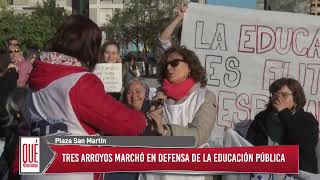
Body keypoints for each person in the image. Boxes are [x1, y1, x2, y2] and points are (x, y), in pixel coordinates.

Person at [23, 15, 147, 180]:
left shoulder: (36, 79)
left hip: (34, 171)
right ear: (90, 47)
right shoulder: (79, 81)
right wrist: (143, 120)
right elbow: (123, 123)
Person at [145, 46, 218, 180]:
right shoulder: (157, 96)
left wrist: (165, 131)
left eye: (174, 63)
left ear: (190, 67)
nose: (169, 68)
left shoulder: (205, 97)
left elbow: (199, 135)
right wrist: (153, 121)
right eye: (166, 65)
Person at [246, 78, 319, 174]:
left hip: (295, 174)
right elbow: (248, 145)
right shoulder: (262, 118)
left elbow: (300, 142)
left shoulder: (307, 119)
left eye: (284, 95)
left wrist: (284, 112)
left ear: (296, 99)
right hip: (264, 172)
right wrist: (233, 135)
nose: (278, 98)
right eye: (275, 95)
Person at [0, 88, 29, 180]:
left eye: (18, 111)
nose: (17, 116)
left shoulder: (33, 136)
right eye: (14, 112)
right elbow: (5, 156)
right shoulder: (12, 129)